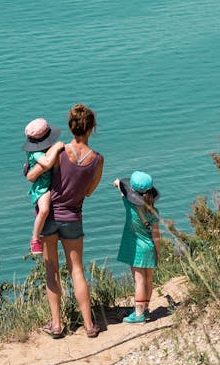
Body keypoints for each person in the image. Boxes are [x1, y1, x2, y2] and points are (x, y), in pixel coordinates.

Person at [26, 103, 104, 339]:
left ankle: (57, 325)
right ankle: (89, 325)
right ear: (91, 128)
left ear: (70, 127)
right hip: (73, 218)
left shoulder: (59, 152)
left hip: (49, 217)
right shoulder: (97, 160)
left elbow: (34, 174)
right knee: (77, 270)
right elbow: (89, 191)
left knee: (52, 271)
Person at [113, 171, 161, 323]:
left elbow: (122, 189)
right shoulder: (154, 212)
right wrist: (158, 252)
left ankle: (139, 314)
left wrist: (118, 183)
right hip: (149, 247)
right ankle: (145, 308)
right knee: (148, 279)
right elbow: (156, 235)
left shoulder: (129, 205)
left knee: (139, 281)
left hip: (137, 249)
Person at [22, 117, 65, 255]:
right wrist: (57, 147)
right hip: (42, 187)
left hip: (47, 183)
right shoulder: (36, 153)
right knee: (44, 210)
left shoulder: (41, 149)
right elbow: (46, 164)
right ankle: (35, 239)